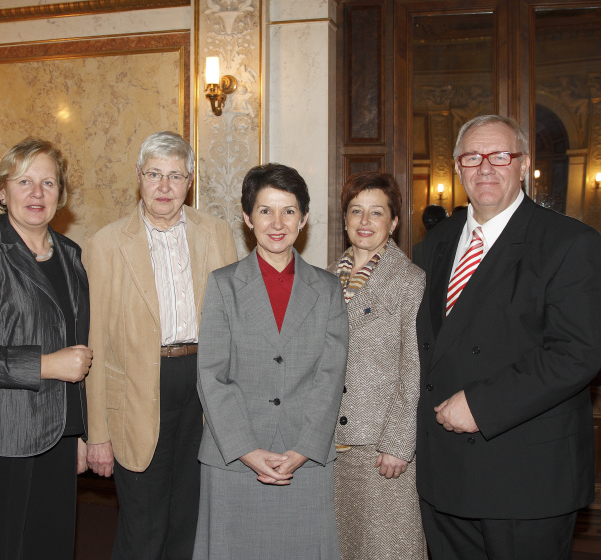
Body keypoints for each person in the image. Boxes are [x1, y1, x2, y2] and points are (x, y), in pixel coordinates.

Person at [415, 114, 601, 560]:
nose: (485, 168)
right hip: (444, 473)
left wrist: (481, 405)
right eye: (472, 157)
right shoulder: (432, 245)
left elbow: (578, 352)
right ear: (457, 167)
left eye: (500, 156)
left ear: (524, 165)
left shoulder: (569, 242)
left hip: (524, 476)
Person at [83, 130, 237, 560]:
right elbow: (94, 340)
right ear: (138, 177)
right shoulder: (107, 243)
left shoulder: (217, 233)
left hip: (203, 387)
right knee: (143, 526)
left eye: (175, 176)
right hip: (136, 392)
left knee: (189, 519)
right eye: (154, 174)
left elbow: (233, 325)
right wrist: (97, 433)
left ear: (190, 181)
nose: (165, 187)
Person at [0, 138, 91, 559]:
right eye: (24, 181)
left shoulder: (70, 255)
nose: (37, 193)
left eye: (48, 182)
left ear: (61, 194)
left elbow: (79, 350)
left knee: (51, 546)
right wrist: (45, 365)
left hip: (59, 436)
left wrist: (80, 431)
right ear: (2, 192)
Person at [194, 163, 348, 559]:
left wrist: (303, 449)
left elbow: (330, 377)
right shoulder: (223, 284)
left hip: (305, 457)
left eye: (289, 211)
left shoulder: (327, 288)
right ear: (247, 218)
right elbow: (212, 376)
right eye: (265, 210)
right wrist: (246, 449)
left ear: (305, 218)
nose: (277, 223)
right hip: (234, 457)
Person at [330, 171, 426, 560]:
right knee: (342, 547)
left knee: (389, 548)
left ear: (394, 221)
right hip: (330, 444)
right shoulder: (325, 279)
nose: (365, 222)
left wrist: (398, 444)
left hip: (380, 447)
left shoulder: (409, 281)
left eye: (376, 212)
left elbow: (414, 368)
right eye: (356, 211)